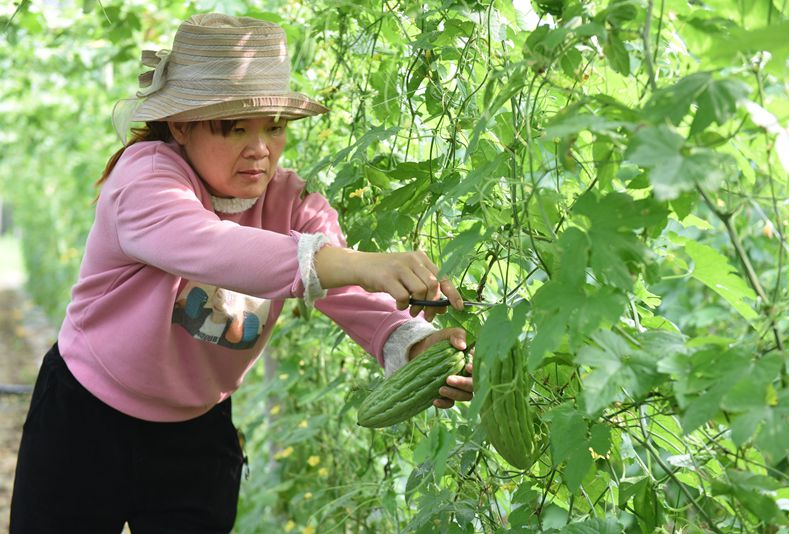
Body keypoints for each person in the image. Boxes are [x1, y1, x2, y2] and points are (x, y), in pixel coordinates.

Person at [9, 13, 474, 534]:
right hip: (84, 419)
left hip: (196, 436)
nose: (261, 149)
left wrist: (414, 344)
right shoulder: (144, 179)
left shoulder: (293, 202)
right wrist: (364, 265)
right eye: (234, 128)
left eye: (274, 126)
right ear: (181, 125)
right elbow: (217, 248)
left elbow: (348, 292)